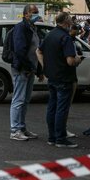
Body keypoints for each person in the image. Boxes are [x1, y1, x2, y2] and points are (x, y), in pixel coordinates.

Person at [36, 12, 82, 148]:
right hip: (64, 77)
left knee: (52, 107)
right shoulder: (66, 38)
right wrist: (78, 59)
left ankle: (52, 137)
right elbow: (70, 61)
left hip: (52, 76)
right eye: (70, 20)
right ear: (66, 22)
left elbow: (38, 51)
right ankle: (60, 138)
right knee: (62, 108)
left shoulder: (50, 35)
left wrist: (45, 65)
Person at [9, 4, 43, 141]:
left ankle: (21, 128)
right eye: (34, 12)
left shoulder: (32, 28)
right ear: (26, 14)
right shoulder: (21, 28)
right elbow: (20, 51)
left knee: (25, 100)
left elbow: (37, 51)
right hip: (22, 69)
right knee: (18, 99)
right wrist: (28, 68)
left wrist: (38, 70)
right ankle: (15, 130)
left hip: (30, 69)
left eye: (37, 12)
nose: (37, 14)